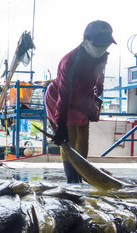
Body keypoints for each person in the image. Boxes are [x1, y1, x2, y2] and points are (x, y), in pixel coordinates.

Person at [45, 21, 116, 183]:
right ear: (85, 41)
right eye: (99, 44)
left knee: (83, 136)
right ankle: (72, 179)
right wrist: (60, 123)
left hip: (83, 99)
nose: (102, 48)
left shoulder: (103, 56)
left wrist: (97, 93)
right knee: (70, 136)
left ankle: (81, 174)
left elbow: (99, 78)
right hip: (59, 99)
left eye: (106, 44)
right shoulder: (70, 61)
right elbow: (64, 95)